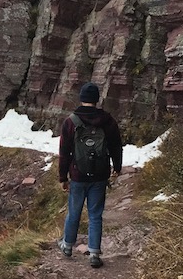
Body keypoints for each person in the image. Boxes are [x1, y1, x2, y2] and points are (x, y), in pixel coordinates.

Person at [56, 82, 123, 268]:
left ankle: (67, 246)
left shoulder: (70, 121)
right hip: (100, 176)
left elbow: (64, 152)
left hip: (77, 175)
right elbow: (116, 145)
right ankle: (94, 253)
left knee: (74, 212)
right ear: (97, 99)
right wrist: (117, 167)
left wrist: (63, 177)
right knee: (95, 215)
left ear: (81, 99)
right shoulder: (108, 120)